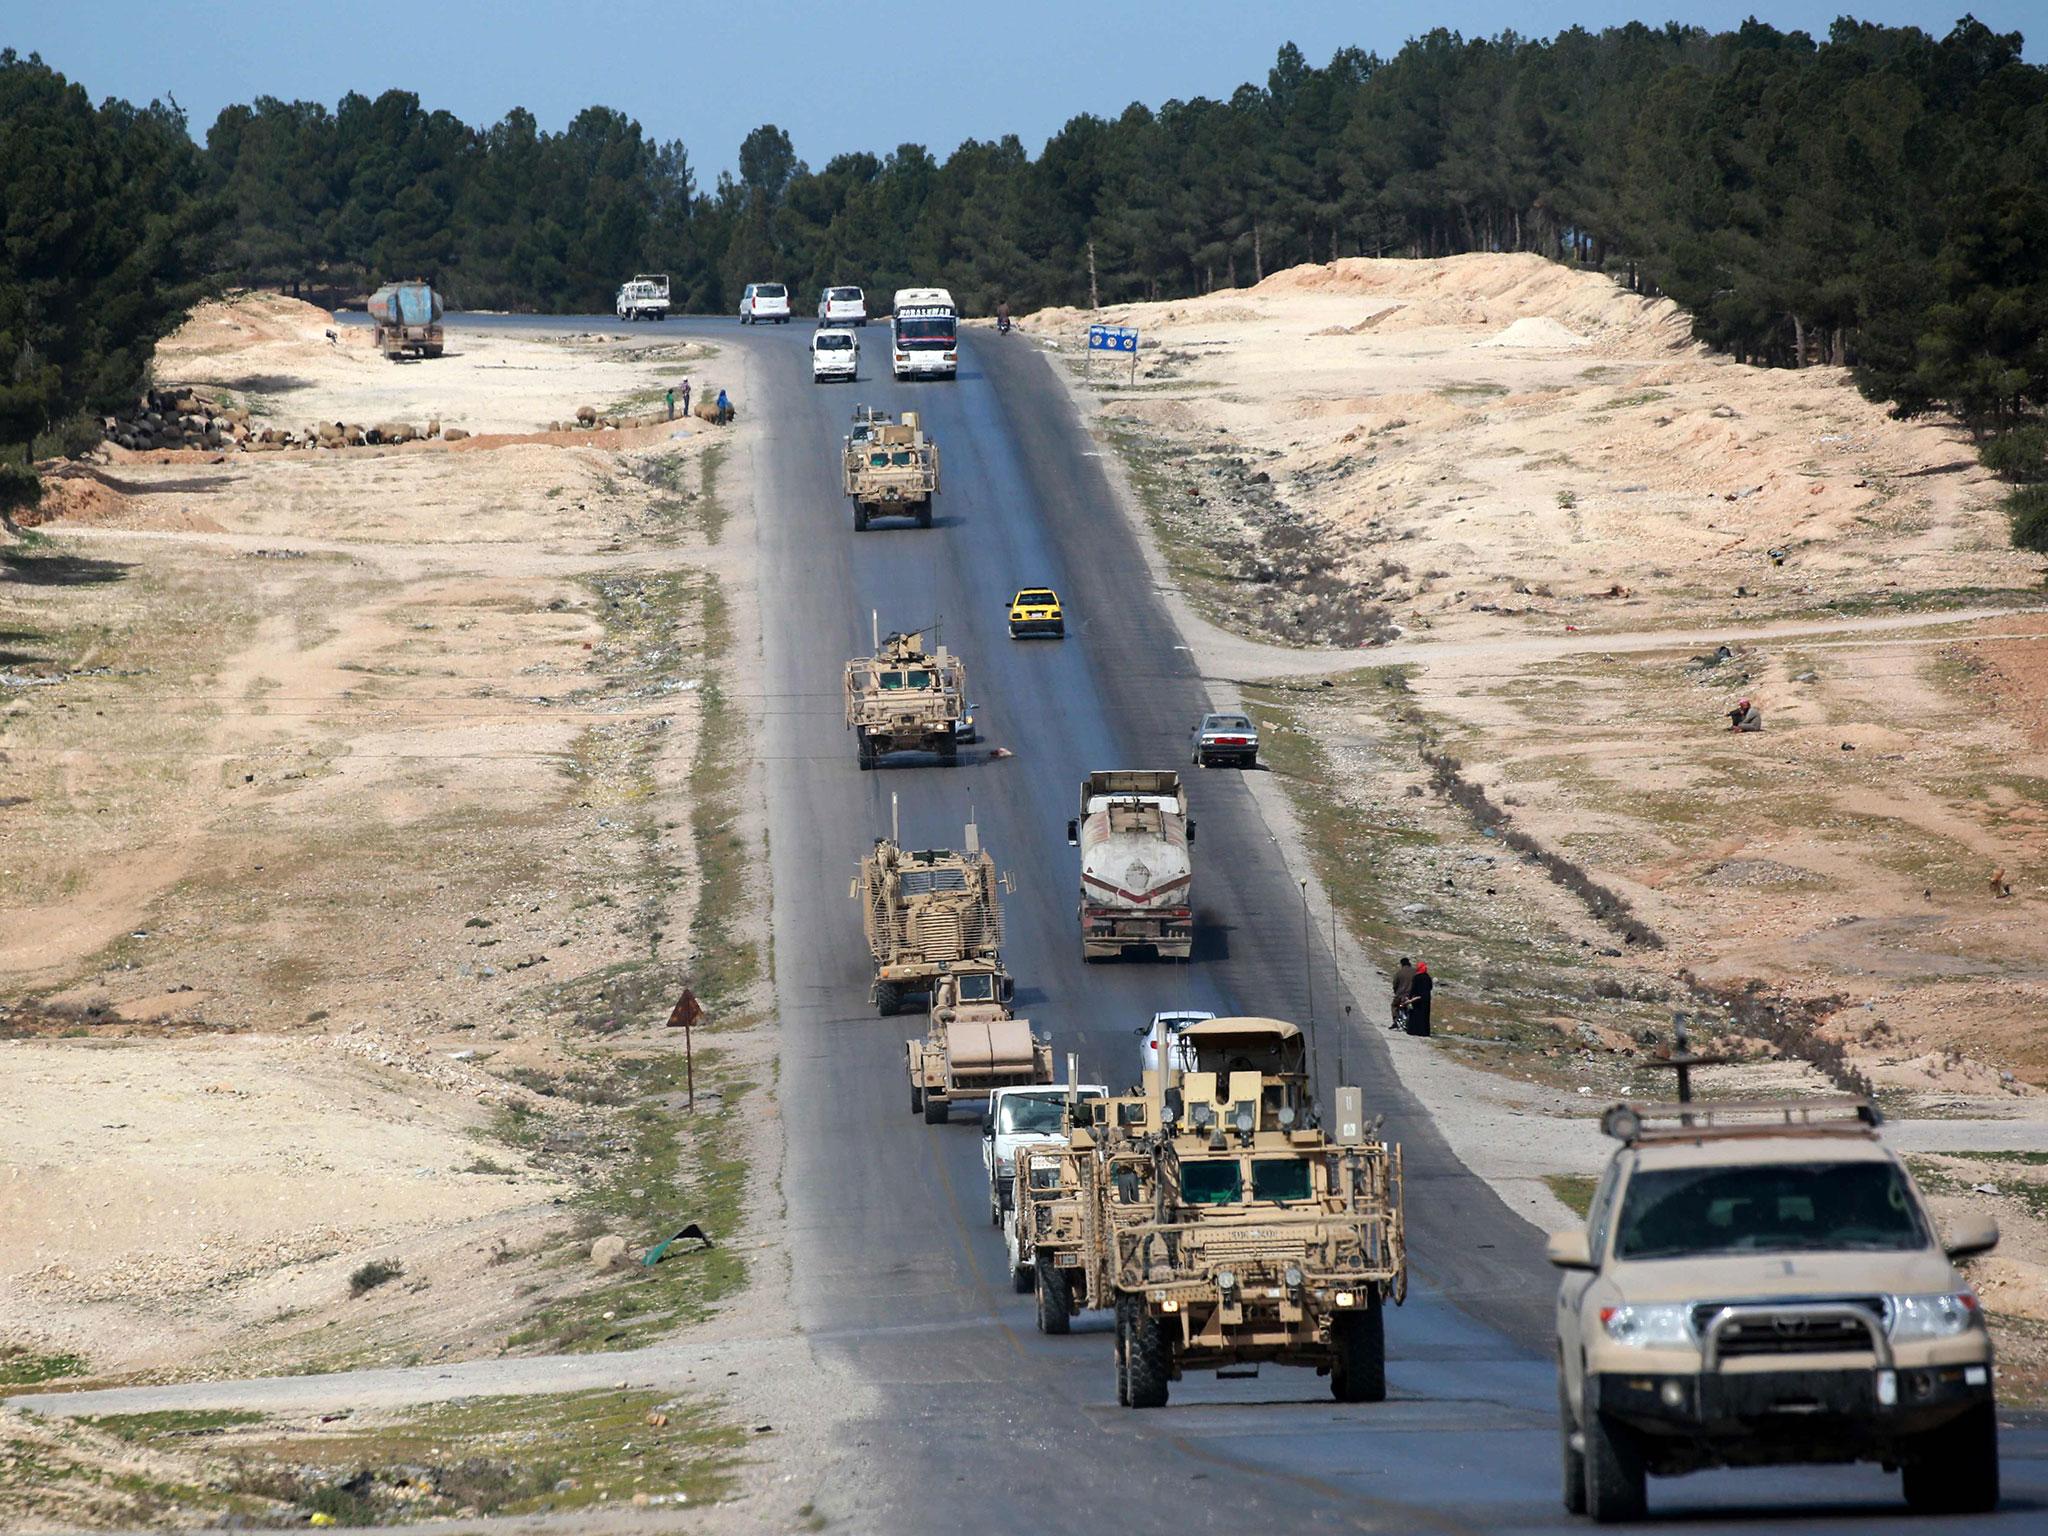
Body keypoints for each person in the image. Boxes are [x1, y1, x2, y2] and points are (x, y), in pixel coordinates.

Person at [1405, 961, 1434, 1037]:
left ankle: (1414, 1031)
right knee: (1424, 1016)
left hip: (1417, 999)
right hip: (1426, 999)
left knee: (1415, 1015)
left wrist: (1410, 997)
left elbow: (1413, 988)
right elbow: (1430, 987)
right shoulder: (1428, 977)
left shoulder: (1417, 977)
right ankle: (1424, 1032)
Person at [1390, 957, 1415, 1030]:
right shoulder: (1415, 971)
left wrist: (1396, 992)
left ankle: (1395, 1021)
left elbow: (1395, 984)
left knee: (1394, 1006)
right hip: (1411, 995)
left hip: (1400, 995)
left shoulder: (1399, 972)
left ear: (1401, 964)